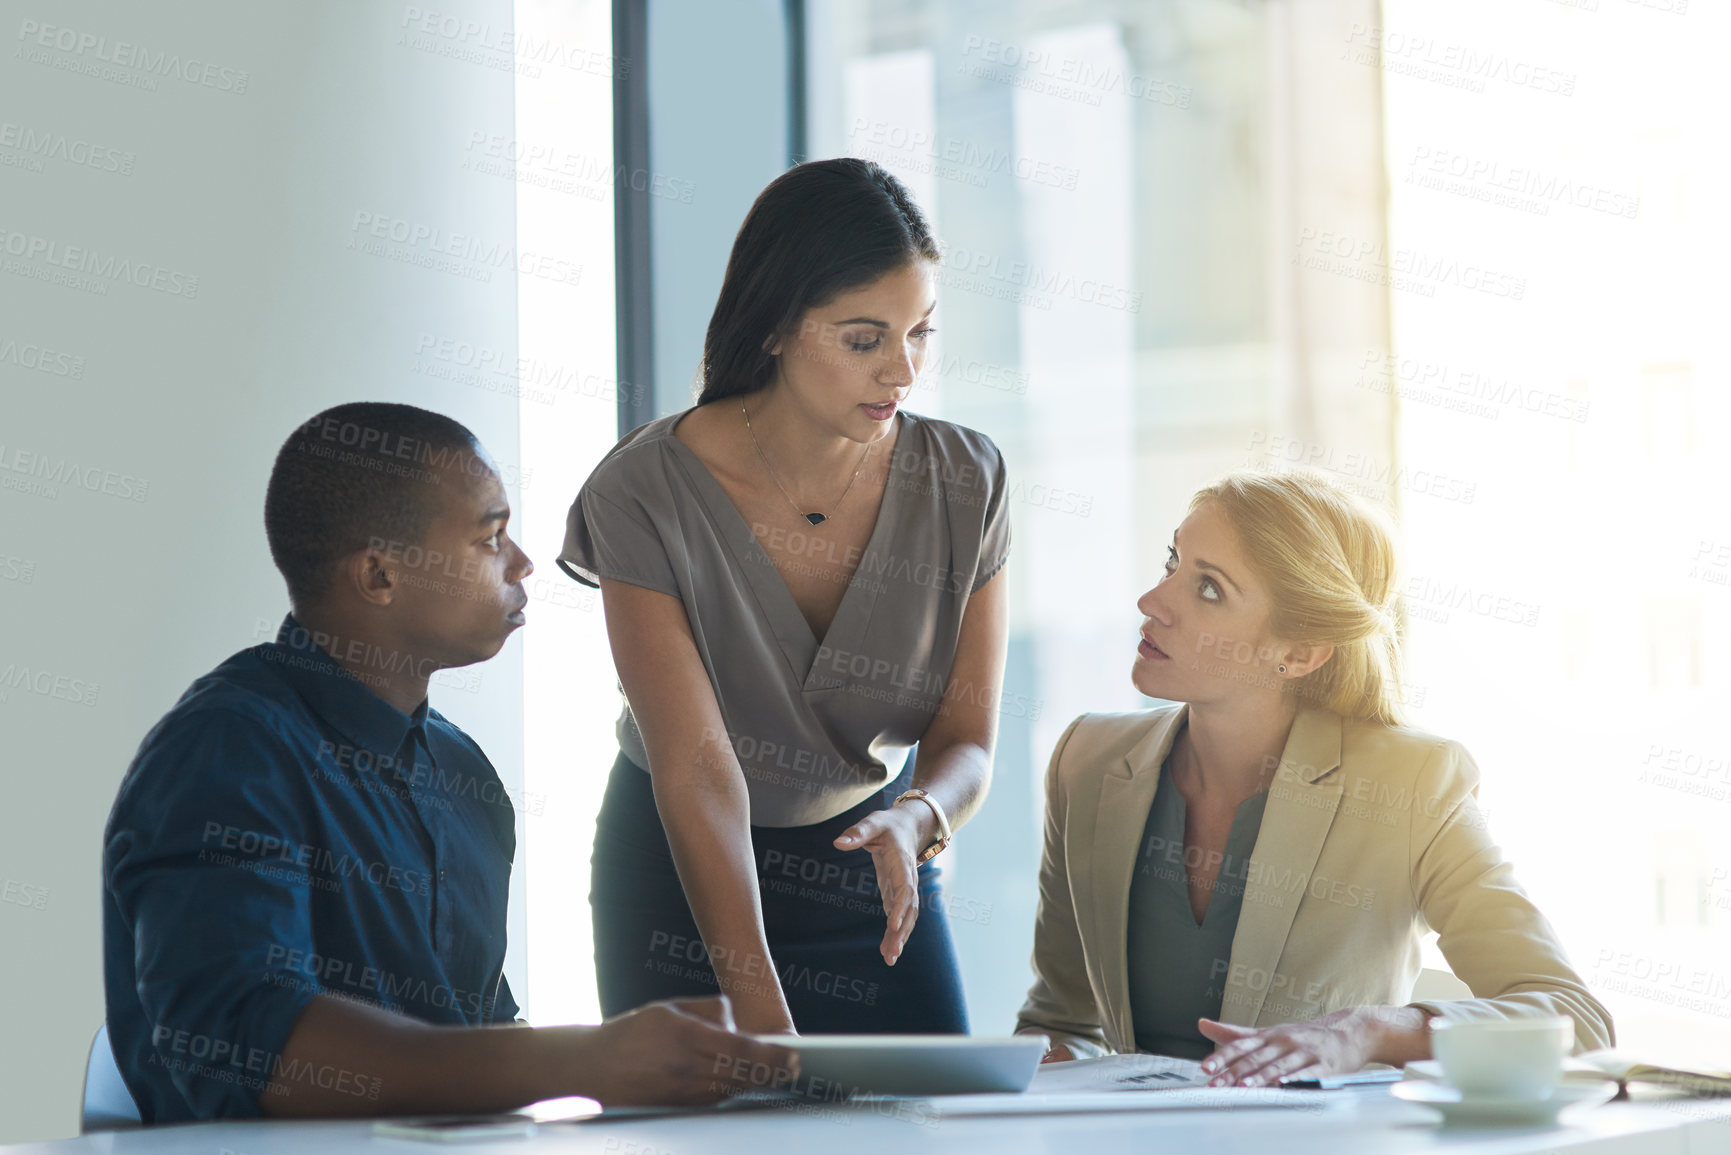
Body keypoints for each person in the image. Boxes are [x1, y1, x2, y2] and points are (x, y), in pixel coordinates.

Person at [102, 402, 794, 1123]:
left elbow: (477, 1040)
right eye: (491, 536)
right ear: (378, 575)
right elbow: (252, 1049)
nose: (525, 561)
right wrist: (588, 1058)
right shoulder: (226, 752)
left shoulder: (465, 776)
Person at [559, 159, 1010, 1035]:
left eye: (919, 333)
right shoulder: (642, 491)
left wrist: (919, 817)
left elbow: (966, 740)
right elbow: (696, 771)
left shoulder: (966, 478)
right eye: (863, 339)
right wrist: (753, 996)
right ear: (773, 326)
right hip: (683, 880)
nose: (902, 372)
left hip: (876, 866)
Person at [1016, 470, 1612, 1085]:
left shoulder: (1411, 784)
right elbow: (1062, 1025)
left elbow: (1574, 1017)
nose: (1153, 601)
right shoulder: (1088, 760)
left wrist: (1370, 1030)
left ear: (1300, 652)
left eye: (1210, 589)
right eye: (1173, 563)